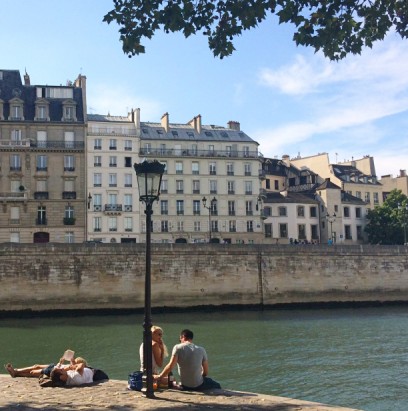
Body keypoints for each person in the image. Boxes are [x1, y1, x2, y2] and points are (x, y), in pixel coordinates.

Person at [4, 355, 88, 379]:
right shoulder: (73, 366)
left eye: (76, 362)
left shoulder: (76, 371)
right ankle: (16, 371)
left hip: (55, 369)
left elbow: (64, 370)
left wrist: (60, 364)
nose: (74, 363)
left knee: (32, 373)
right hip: (55, 366)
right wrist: (61, 361)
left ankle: (16, 373)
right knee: (36, 366)